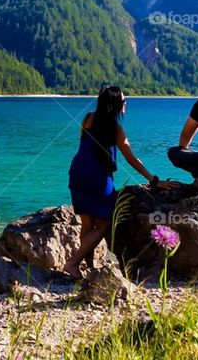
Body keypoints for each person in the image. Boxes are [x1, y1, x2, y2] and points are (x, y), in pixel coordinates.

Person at [63, 85, 176, 279]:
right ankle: (73, 263)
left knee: (87, 224)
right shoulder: (116, 130)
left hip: (77, 173)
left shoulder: (87, 118)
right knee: (105, 223)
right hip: (98, 178)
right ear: (115, 105)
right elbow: (131, 159)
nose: (126, 103)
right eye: (123, 101)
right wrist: (153, 180)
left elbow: (84, 145)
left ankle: (88, 267)